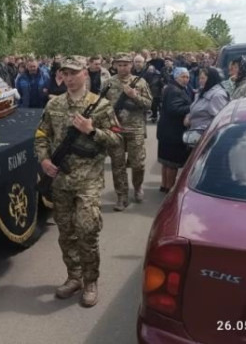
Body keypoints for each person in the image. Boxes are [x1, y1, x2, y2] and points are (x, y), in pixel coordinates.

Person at [35, 56, 121, 308]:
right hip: (60, 179)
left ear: (85, 73)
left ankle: (90, 281)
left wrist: (92, 131)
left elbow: (117, 140)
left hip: (88, 179)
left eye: (74, 73)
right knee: (66, 233)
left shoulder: (101, 105)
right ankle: (74, 277)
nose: (70, 78)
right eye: (66, 74)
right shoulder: (54, 104)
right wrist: (44, 159)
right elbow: (41, 135)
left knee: (87, 229)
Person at [106, 53, 153, 210]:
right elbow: (101, 105)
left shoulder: (140, 82)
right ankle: (122, 196)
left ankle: (137, 186)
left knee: (138, 163)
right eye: (119, 65)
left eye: (125, 64)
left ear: (131, 65)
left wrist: (135, 96)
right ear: (115, 66)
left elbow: (149, 104)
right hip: (115, 129)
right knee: (117, 165)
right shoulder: (108, 83)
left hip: (135, 128)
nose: (122, 68)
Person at [157, 67, 192, 193]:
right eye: (183, 77)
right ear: (176, 77)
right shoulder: (175, 90)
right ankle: (169, 189)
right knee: (172, 164)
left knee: (166, 162)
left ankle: (164, 186)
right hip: (173, 132)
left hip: (166, 131)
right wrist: (192, 107)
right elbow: (174, 109)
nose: (186, 79)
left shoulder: (173, 88)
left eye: (187, 77)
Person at [184, 67, 230, 136]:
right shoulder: (203, 91)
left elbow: (221, 121)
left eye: (203, 78)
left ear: (211, 79)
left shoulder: (217, 95)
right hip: (196, 134)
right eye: (199, 78)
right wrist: (188, 117)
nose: (200, 81)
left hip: (206, 136)